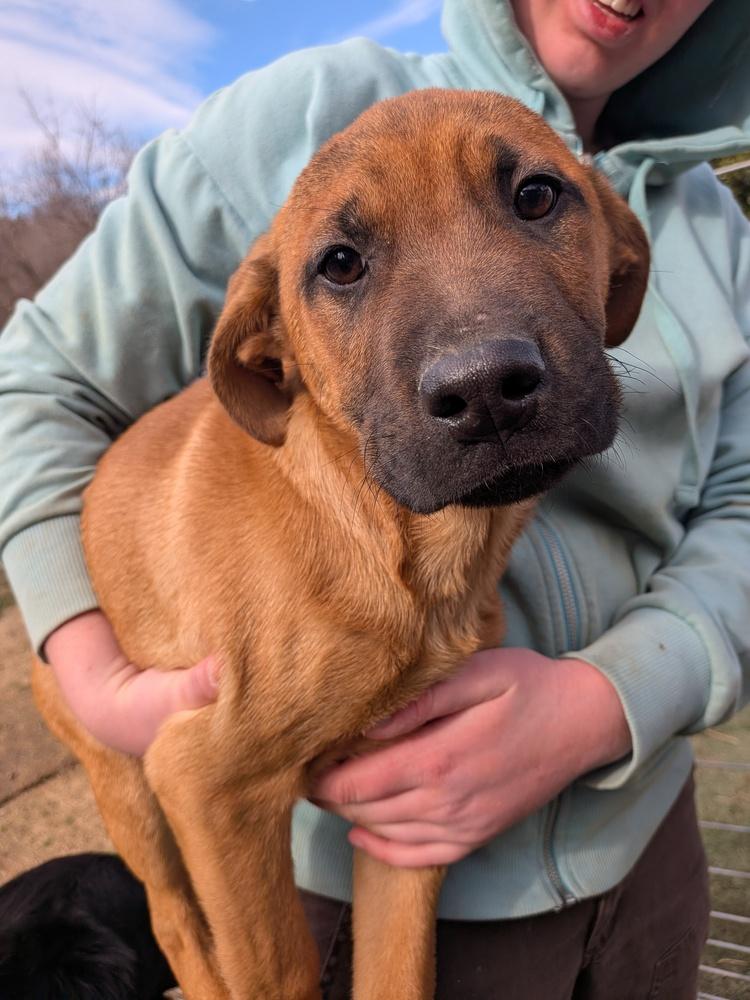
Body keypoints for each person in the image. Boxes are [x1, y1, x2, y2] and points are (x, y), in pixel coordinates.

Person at [1, 0, 749, 996]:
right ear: (271, 357)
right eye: (345, 266)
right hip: (324, 897)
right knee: (186, 918)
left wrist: (609, 700)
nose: (481, 363)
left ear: (622, 267)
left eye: (535, 199)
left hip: (649, 854)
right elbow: (37, 380)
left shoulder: (713, 222)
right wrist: (83, 668)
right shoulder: (287, 117)